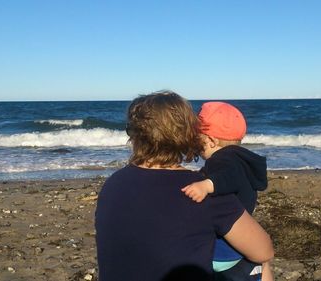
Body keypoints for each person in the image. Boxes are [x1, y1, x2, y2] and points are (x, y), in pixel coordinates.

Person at [95, 91, 274, 281]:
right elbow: (264, 251)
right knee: (260, 266)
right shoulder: (200, 189)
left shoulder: (112, 184)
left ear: (134, 135)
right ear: (187, 135)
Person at [182, 101, 271, 281]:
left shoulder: (224, 160)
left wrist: (206, 185)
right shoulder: (241, 160)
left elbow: (227, 176)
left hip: (222, 251)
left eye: (197, 136)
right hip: (242, 243)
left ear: (211, 141)